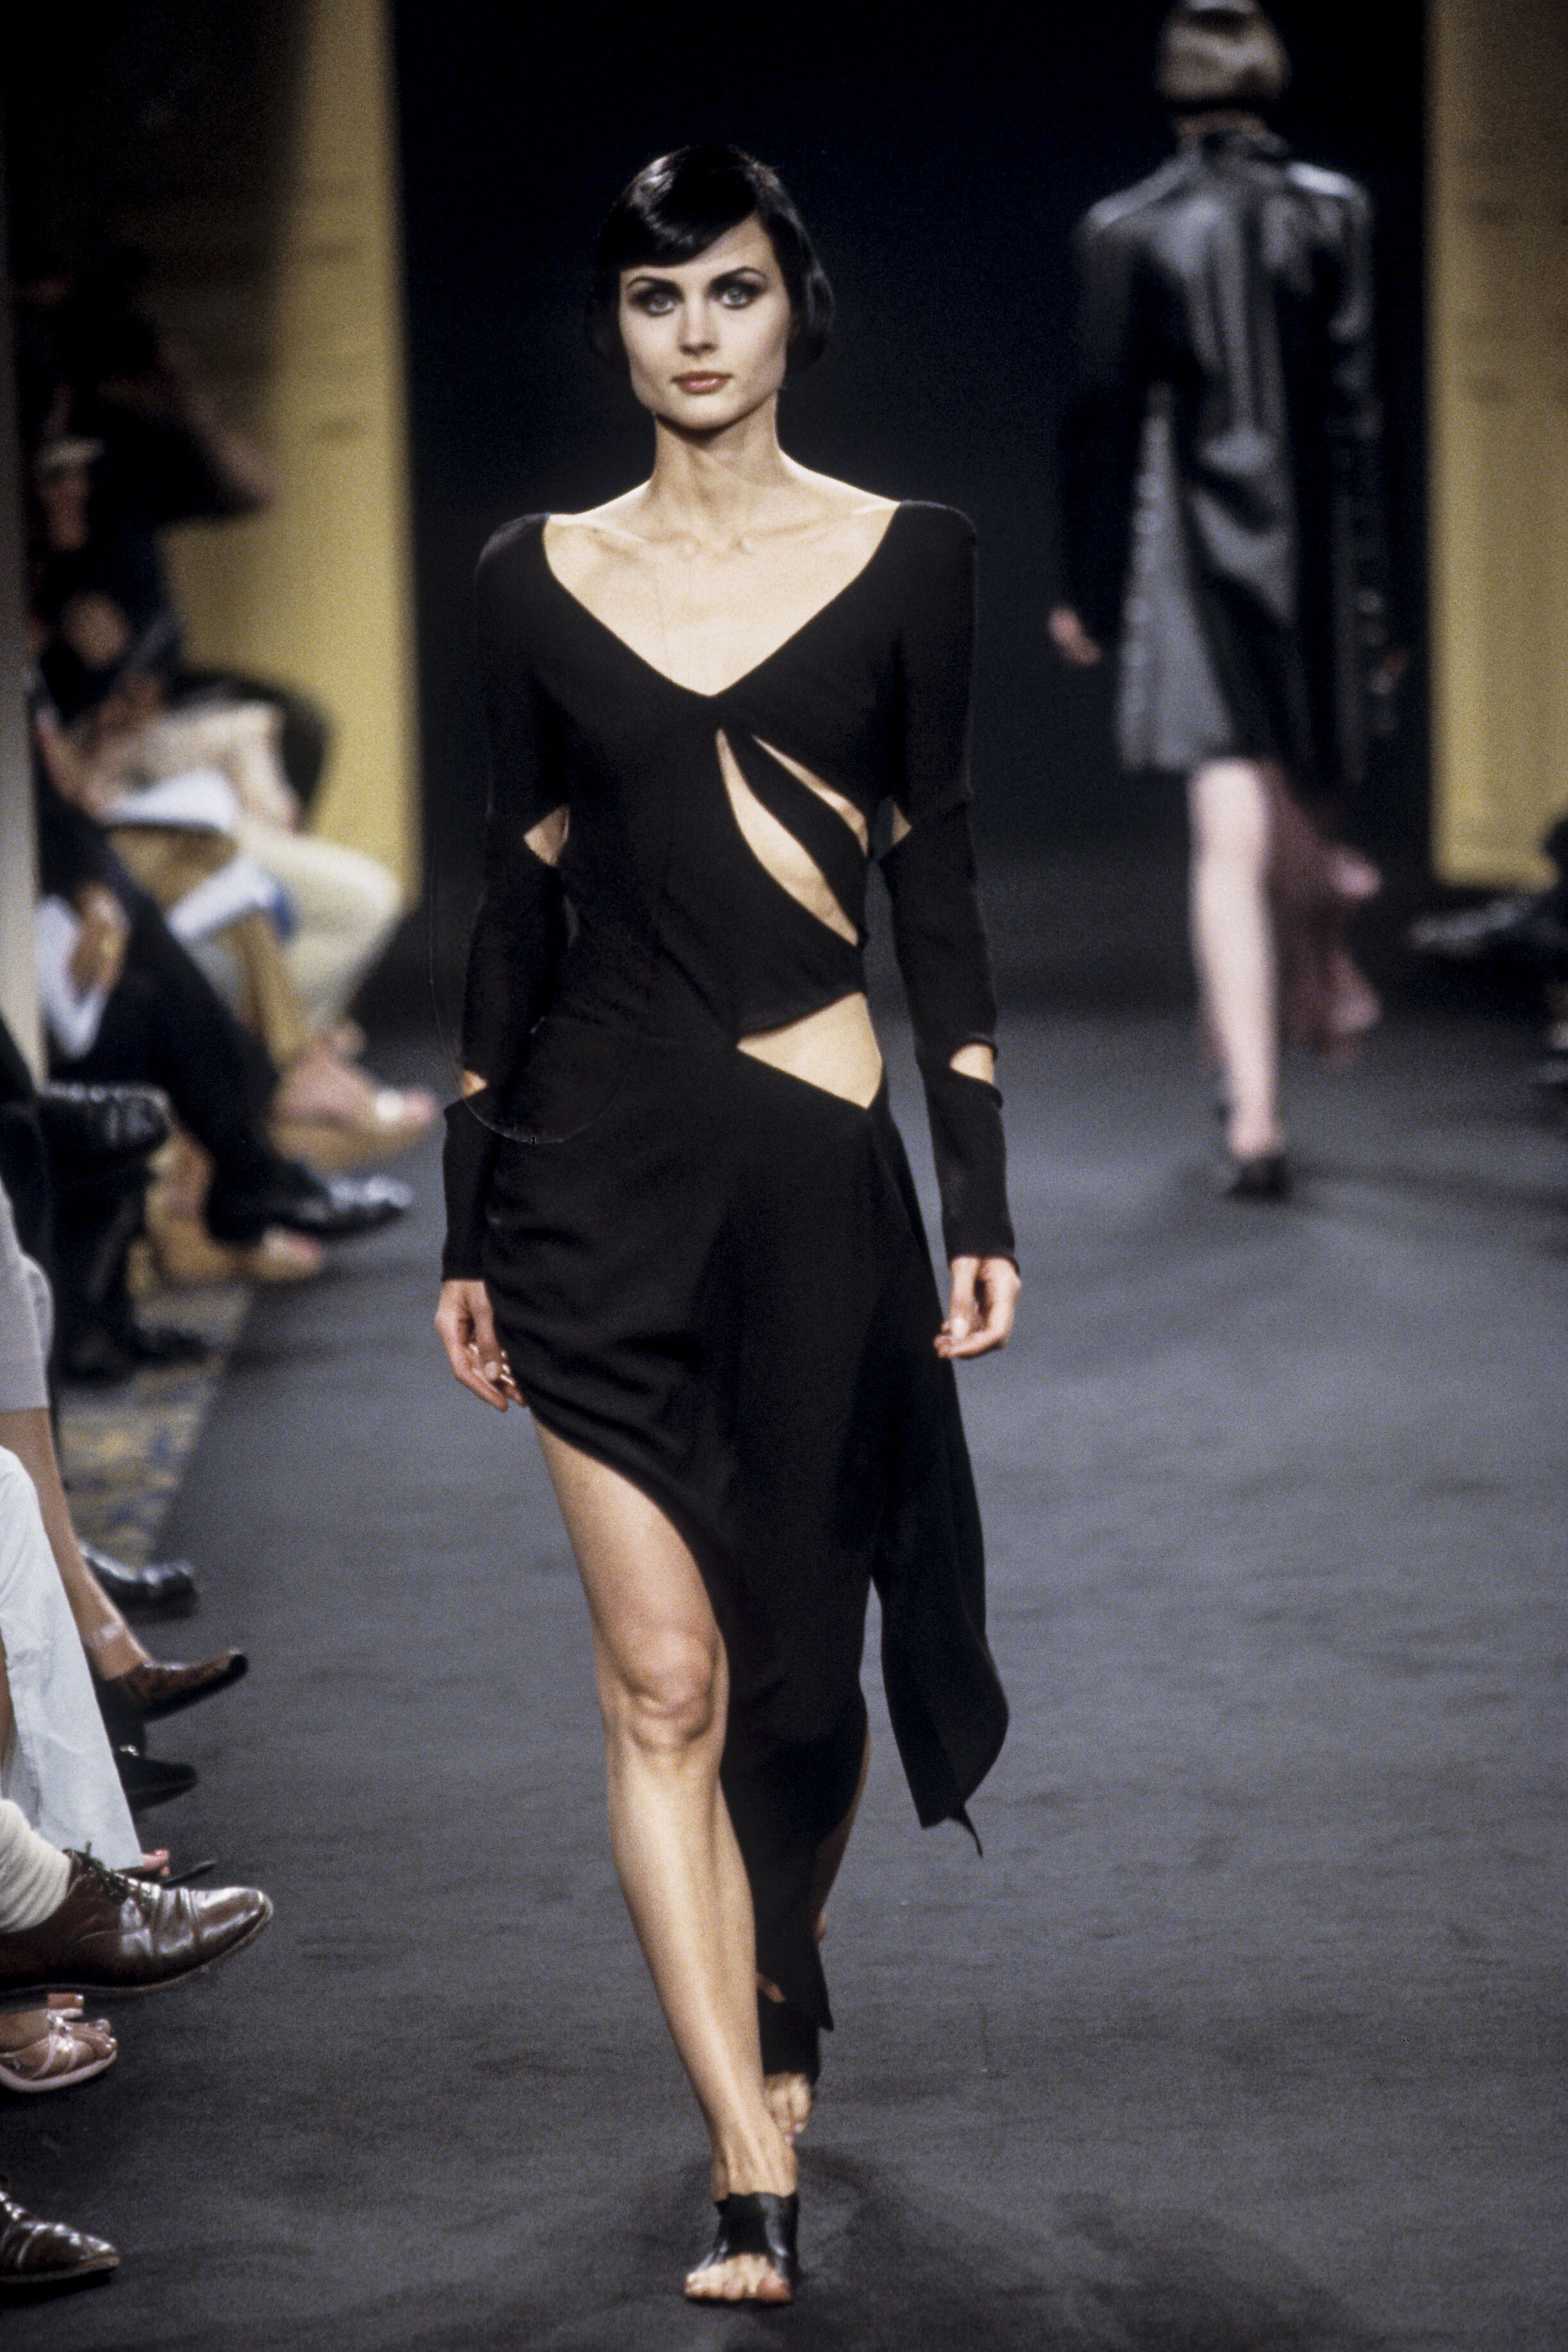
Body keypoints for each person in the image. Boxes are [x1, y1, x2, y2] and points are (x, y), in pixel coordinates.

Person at [435, 147, 1020, 2304]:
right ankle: (738, 2157)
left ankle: (783, 1968)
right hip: (587, 1184)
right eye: (653, 295)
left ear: (797, 310)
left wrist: (977, 1192)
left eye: (732, 291)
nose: (692, 333)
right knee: (663, 1680)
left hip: (813, 1179)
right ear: (614, 326)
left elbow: (934, 883)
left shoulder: (909, 556)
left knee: (795, 1682)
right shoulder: (529, 577)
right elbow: (512, 899)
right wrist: (462, 1225)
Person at [1051, 0, 1397, 1196]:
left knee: (1228, 841)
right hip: (1314, 557)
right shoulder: (1333, 212)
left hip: (1189, 551)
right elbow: (1357, 416)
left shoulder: (1126, 227)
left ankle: (1253, 1120)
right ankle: (1280, 1058)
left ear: (1172, 89)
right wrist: (1380, 605)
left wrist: (1088, 591)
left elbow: (1099, 424)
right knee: (1297, 823)